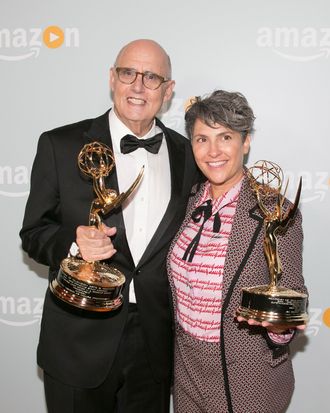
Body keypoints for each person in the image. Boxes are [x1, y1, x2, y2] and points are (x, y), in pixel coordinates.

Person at [20, 39, 198, 413]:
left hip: (154, 345)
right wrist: (73, 243)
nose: (137, 85)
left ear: (168, 91)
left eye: (151, 77)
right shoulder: (60, 144)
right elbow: (34, 233)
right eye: (127, 72)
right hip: (77, 342)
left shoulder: (188, 156)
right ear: (111, 78)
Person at [167, 90, 308, 413]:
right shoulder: (186, 202)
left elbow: (291, 292)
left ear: (245, 143)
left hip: (247, 376)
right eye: (202, 139)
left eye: (225, 137)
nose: (213, 151)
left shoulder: (275, 210)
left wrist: (280, 328)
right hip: (187, 369)